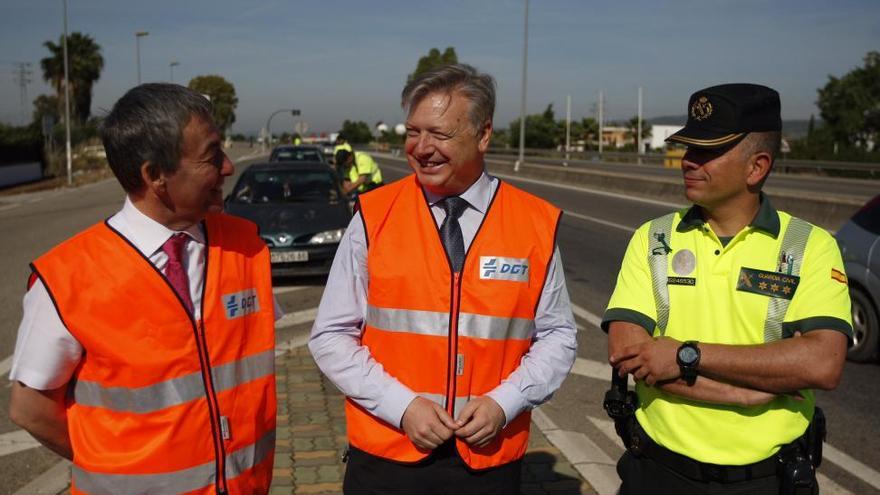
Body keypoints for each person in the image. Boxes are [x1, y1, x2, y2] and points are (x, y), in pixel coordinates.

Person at [309, 63, 577, 494]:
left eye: (440, 134)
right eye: (412, 132)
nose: (421, 148)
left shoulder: (533, 223)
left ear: (483, 134)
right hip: (389, 453)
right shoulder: (374, 217)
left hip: (487, 459)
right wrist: (403, 407)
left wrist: (503, 405)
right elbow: (330, 335)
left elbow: (558, 336)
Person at [8, 83, 280, 495]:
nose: (227, 167)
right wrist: (113, 466)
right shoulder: (67, 278)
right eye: (211, 156)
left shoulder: (246, 246)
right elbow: (31, 409)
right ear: (155, 176)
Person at [603, 84, 851, 494]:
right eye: (688, 148)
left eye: (706, 152)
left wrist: (685, 356)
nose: (688, 161)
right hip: (658, 472)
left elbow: (823, 363)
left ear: (757, 167)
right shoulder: (654, 238)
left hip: (766, 480)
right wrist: (747, 392)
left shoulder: (810, 246)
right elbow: (627, 353)